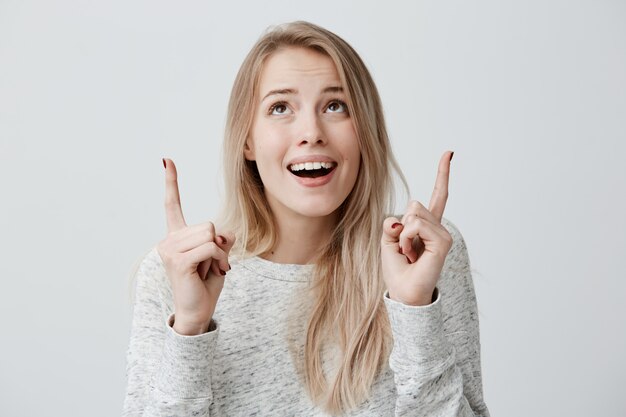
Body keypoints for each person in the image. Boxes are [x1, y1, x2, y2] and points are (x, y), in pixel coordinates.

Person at [122, 20, 490, 417]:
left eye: (336, 106)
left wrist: (415, 309)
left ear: (366, 130)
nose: (311, 132)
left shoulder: (423, 254)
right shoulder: (177, 274)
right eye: (280, 108)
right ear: (247, 140)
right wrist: (190, 328)